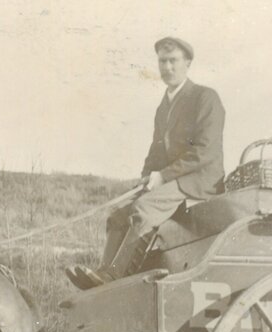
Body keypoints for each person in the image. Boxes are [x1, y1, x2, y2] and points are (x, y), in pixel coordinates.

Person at [66, 36, 225, 289]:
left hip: (199, 182)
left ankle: (113, 277)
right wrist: (146, 177)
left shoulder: (205, 97)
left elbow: (204, 152)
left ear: (188, 63)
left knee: (144, 210)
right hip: (174, 180)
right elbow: (156, 152)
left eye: (173, 61)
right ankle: (103, 273)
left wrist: (163, 176)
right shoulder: (165, 106)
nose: (167, 68)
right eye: (163, 61)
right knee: (118, 216)